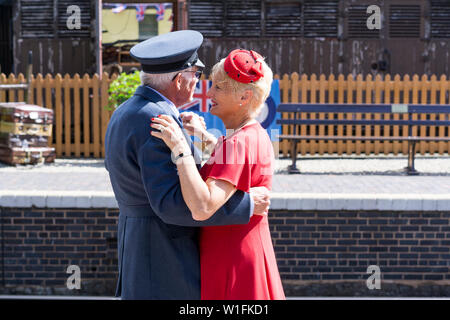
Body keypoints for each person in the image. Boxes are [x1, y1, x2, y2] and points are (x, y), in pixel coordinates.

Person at [104, 31, 271, 300]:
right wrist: (247, 206)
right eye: (197, 75)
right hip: (164, 259)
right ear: (180, 79)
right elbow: (174, 205)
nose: (201, 84)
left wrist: (203, 141)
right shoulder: (157, 120)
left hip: (142, 246)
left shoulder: (127, 111)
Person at [150, 49, 285, 300]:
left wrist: (181, 150)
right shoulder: (254, 135)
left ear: (244, 96)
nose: (209, 93)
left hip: (230, 261)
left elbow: (203, 208)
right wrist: (202, 136)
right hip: (248, 253)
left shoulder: (237, 143)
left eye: (219, 88)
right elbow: (232, 160)